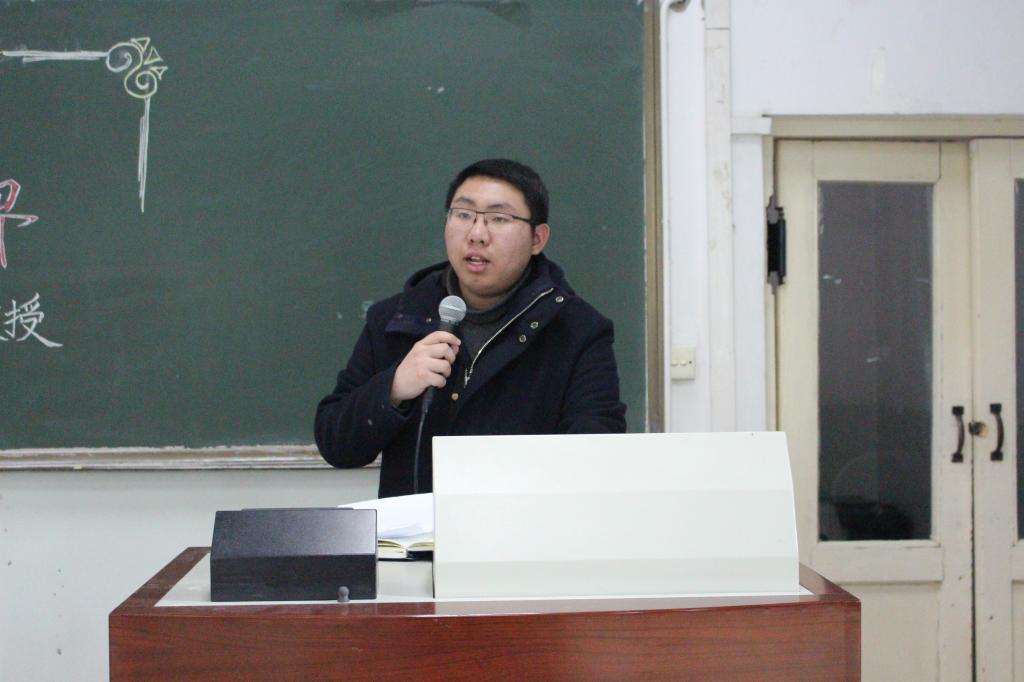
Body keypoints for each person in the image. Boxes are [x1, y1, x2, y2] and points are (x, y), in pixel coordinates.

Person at [315, 159, 626, 498]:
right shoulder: (397, 319)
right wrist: (393, 388)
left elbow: (595, 457)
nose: (477, 234)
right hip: (417, 530)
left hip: (522, 526)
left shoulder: (577, 331)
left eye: (499, 219)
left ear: (538, 238)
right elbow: (336, 444)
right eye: (463, 215)